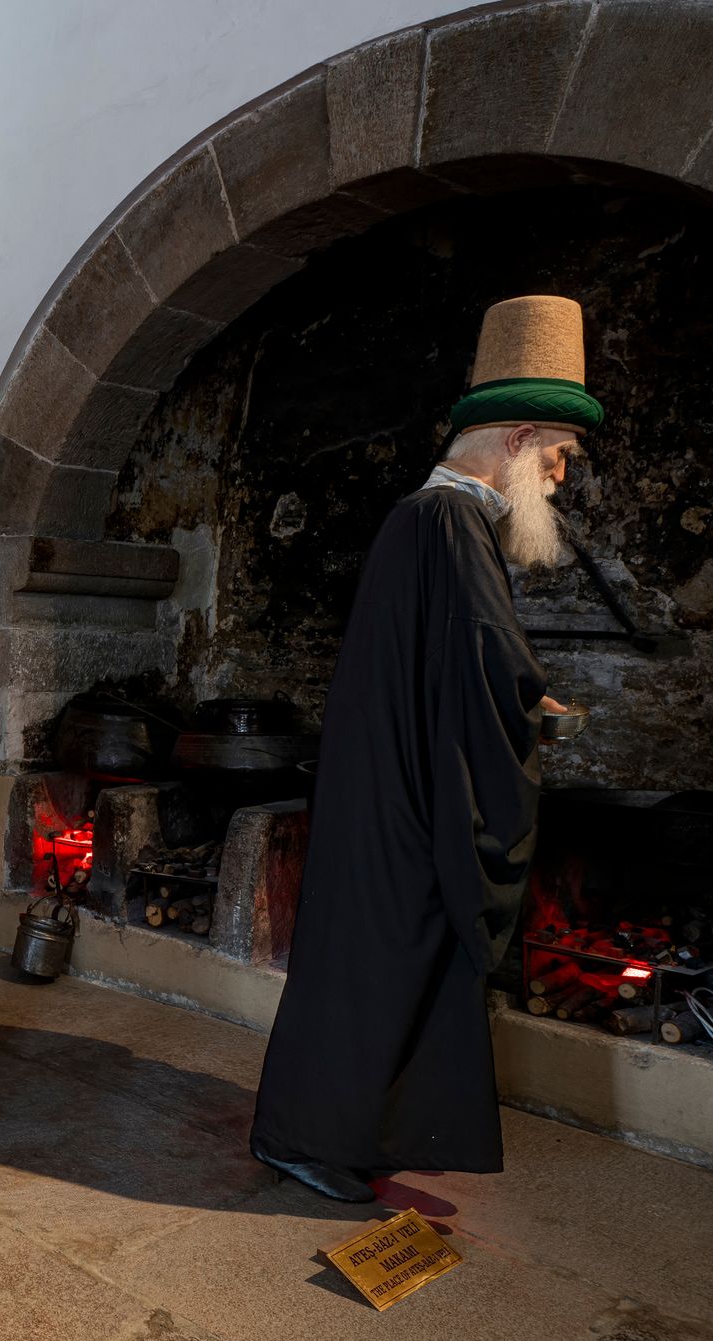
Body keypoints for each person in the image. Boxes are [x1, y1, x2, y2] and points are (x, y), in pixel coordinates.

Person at [248, 295, 599, 1201]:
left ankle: (336, 1131)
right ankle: (306, 1137)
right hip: (400, 799)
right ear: (518, 439)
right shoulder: (446, 523)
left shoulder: (436, 521)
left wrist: (519, 693)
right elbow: (482, 654)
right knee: (378, 961)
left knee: (374, 962)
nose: (561, 478)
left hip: (389, 786)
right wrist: (531, 709)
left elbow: (463, 657)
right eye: (558, 456)